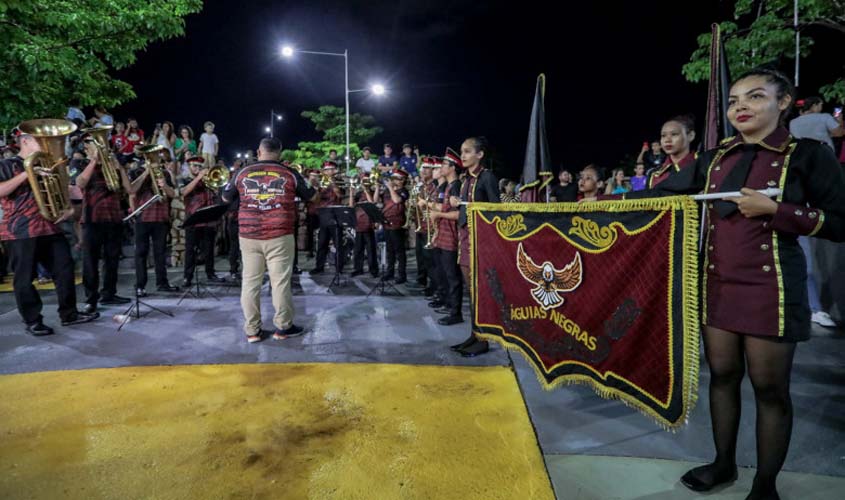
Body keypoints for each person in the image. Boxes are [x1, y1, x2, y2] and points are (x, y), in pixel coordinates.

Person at [619, 68, 845, 500]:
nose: (740, 106)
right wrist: (585, 209)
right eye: (735, 99)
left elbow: (839, 222)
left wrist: (777, 210)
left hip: (772, 288)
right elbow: (660, 195)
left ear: (783, 103)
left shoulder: (810, 155)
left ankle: (765, 485)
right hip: (718, 284)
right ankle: (723, 464)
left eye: (755, 97)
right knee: (722, 377)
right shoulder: (714, 157)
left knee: (770, 390)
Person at [0, 132, 99, 335]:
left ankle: (69, 313)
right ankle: (33, 320)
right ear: (25, 141)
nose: (45, 145)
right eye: (39, 140)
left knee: (65, 269)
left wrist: (68, 209)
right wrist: (28, 173)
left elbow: (63, 193)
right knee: (24, 279)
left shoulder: (48, 164)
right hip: (20, 229)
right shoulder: (8, 164)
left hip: (49, 226)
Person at [221, 137, 316, 343]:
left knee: (250, 283)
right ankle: (283, 327)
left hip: (248, 235)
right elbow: (310, 195)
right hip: (279, 235)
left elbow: (225, 198)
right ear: (279, 153)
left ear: (259, 151)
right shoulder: (289, 172)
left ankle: (252, 331)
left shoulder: (242, 172)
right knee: (280, 282)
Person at [452, 137, 499, 357]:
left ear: (479, 155)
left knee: (479, 292)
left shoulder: (486, 177)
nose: (463, 155)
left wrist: (467, 205)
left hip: (479, 241)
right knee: (471, 293)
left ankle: (484, 340)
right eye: (462, 151)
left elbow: (495, 210)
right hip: (464, 239)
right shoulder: (465, 180)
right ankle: (475, 334)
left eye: (468, 151)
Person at [75, 135, 133, 314]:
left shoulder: (112, 164)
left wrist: (120, 168)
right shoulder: (81, 163)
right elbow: (80, 183)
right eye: (93, 144)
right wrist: (94, 161)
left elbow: (128, 189)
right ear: (86, 148)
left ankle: (109, 293)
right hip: (92, 219)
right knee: (90, 262)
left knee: (112, 259)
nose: (99, 146)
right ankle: (90, 299)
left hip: (114, 218)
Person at [128, 153, 179, 297]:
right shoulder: (137, 171)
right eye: (151, 156)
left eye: (156, 156)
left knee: (160, 253)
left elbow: (172, 194)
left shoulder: (164, 173)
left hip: (160, 218)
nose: (154, 159)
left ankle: (162, 283)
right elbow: (131, 191)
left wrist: (164, 184)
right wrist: (146, 172)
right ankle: (140, 286)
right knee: (141, 253)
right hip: (143, 218)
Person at [429, 150, 463, 326]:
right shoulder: (450, 186)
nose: (441, 167)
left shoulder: (456, 186)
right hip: (443, 234)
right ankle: (450, 306)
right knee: (445, 273)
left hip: (452, 237)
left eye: (444, 165)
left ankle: (455, 312)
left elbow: (458, 214)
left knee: (452, 276)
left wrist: (437, 214)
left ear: (452, 168)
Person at [181, 157, 224, 287]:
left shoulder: (208, 181)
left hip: (208, 220)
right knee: (190, 251)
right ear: (188, 167)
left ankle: (210, 273)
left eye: (200, 166)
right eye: (194, 166)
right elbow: (183, 192)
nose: (198, 168)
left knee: (209, 249)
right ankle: (187, 277)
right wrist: (199, 177)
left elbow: (216, 194)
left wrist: (214, 187)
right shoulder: (185, 179)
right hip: (193, 221)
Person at [310, 161, 344, 275]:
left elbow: (340, 195)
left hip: (336, 215)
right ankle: (319, 266)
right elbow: (316, 200)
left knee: (338, 243)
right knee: (322, 243)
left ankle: (339, 268)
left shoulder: (339, 181)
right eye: (326, 170)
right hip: (324, 214)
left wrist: (332, 182)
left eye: (330, 169)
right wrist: (317, 188)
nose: (328, 171)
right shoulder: (321, 183)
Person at [378, 168, 410, 283]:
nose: (394, 180)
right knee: (390, 250)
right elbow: (378, 201)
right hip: (386, 223)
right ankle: (390, 272)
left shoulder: (404, 191)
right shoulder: (387, 191)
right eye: (393, 178)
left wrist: (391, 187)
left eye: (396, 178)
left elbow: (396, 201)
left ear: (402, 180)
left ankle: (402, 275)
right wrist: (377, 187)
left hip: (398, 224)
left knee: (399, 251)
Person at [649, 114, 697, 189]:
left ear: (691, 136)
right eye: (663, 135)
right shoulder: (654, 175)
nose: (667, 140)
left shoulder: (704, 166)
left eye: (674, 134)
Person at [412, 158, 438, 286]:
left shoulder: (435, 186)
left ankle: (433, 285)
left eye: (427, 168)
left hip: (430, 226)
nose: (423, 170)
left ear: (433, 170)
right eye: (422, 168)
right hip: (419, 225)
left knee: (431, 258)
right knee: (420, 256)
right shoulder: (419, 186)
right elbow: (414, 206)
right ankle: (421, 279)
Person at [349, 172, 378, 277]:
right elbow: (351, 206)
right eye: (363, 180)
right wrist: (351, 193)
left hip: (369, 223)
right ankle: (358, 268)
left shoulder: (373, 191)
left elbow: (372, 203)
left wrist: (366, 190)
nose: (365, 182)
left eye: (366, 180)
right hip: (359, 223)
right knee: (358, 249)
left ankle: (373, 270)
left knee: (371, 249)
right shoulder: (358, 194)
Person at [222, 158, 244, 280]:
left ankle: (245, 269)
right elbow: (225, 199)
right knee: (234, 245)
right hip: (234, 218)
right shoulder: (229, 184)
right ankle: (233, 269)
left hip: (245, 218)